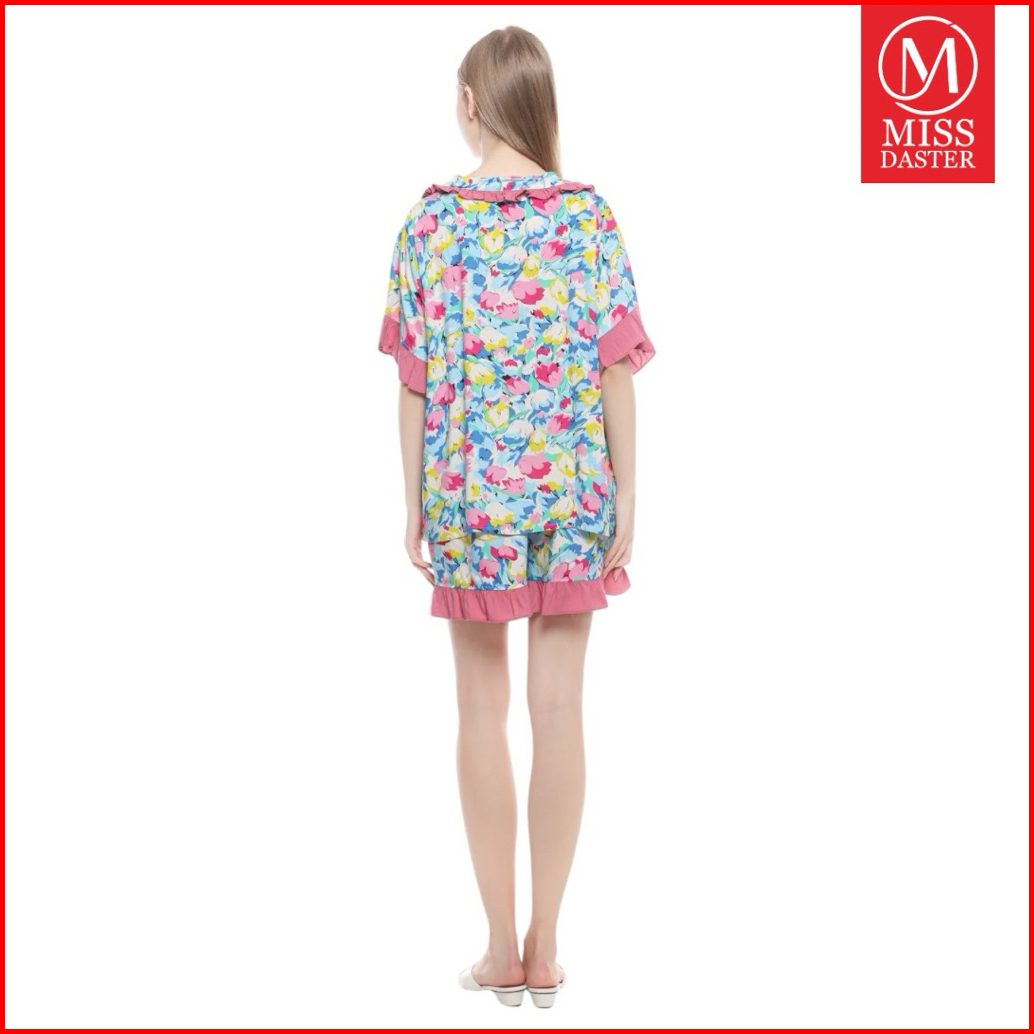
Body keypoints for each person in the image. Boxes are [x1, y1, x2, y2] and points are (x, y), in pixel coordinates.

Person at [376, 25, 656, 1009]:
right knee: (561, 708)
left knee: (479, 710)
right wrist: (628, 494)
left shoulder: (429, 224)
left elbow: (413, 379)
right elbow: (615, 368)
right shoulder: (587, 218)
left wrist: (411, 501)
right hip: (574, 491)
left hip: (468, 496)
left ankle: (499, 943)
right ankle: (545, 945)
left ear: (468, 103)